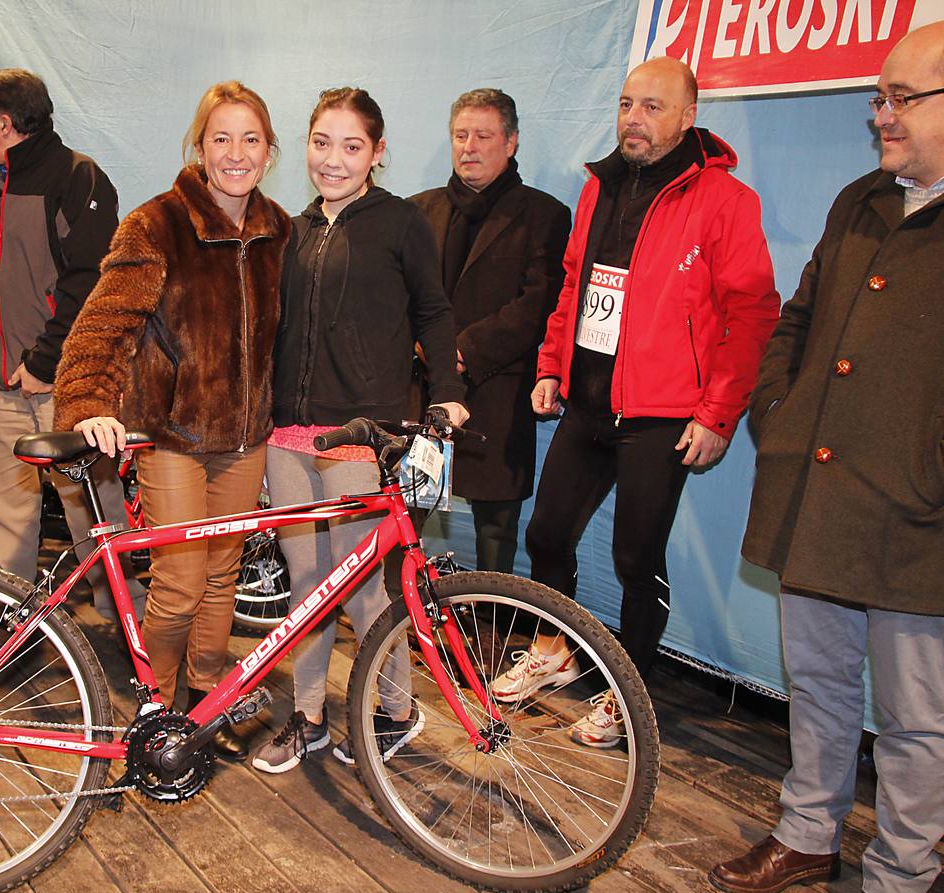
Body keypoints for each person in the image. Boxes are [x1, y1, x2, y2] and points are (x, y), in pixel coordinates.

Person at [709, 23, 944, 893]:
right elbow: (797, 320)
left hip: (918, 512)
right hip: (816, 489)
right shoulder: (862, 198)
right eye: (877, 97)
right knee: (816, 681)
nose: (882, 116)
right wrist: (777, 412)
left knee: (920, 718)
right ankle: (809, 835)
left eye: (902, 99)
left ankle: (902, 872)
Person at [503, 57, 780, 747]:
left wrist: (719, 413)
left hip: (665, 416)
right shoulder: (600, 188)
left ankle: (632, 695)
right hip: (589, 402)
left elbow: (751, 314)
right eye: (627, 103)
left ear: (689, 117)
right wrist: (550, 365)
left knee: (635, 559)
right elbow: (577, 284)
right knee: (546, 537)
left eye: (653, 106)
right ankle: (554, 651)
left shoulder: (726, 201)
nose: (634, 117)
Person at [53, 81, 291, 760]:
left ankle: (205, 699)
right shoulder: (156, 223)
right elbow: (104, 323)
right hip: (173, 435)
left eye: (250, 139)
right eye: (222, 138)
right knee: (182, 580)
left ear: (270, 152)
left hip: (246, 439)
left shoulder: (279, 230)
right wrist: (89, 405)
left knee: (223, 575)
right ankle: (156, 703)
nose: (235, 153)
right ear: (199, 146)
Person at [252, 87, 469, 774]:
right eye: (322, 143)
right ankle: (310, 715)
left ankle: (398, 710)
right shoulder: (291, 229)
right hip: (288, 431)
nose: (333, 160)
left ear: (378, 153)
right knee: (307, 581)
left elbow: (434, 314)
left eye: (351, 147)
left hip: (356, 431)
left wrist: (450, 396)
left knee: (363, 583)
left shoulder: (402, 223)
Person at [0, 68, 144, 617]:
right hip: (0, 385)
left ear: (7, 123)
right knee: (5, 517)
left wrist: (44, 361)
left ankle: (125, 623)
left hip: (62, 387)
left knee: (93, 511)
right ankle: (18, 624)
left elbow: (90, 282)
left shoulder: (77, 179)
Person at [408, 88, 570, 574]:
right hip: (422, 392)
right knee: (404, 518)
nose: (469, 147)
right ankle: (397, 625)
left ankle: (489, 635)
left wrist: (461, 351)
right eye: (461, 135)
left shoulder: (545, 215)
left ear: (512, 142)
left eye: (483, 135)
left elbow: (538, 303)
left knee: (495, 530)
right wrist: (431, 351)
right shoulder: (417, 211)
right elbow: (399, 293)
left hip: (497, 396)